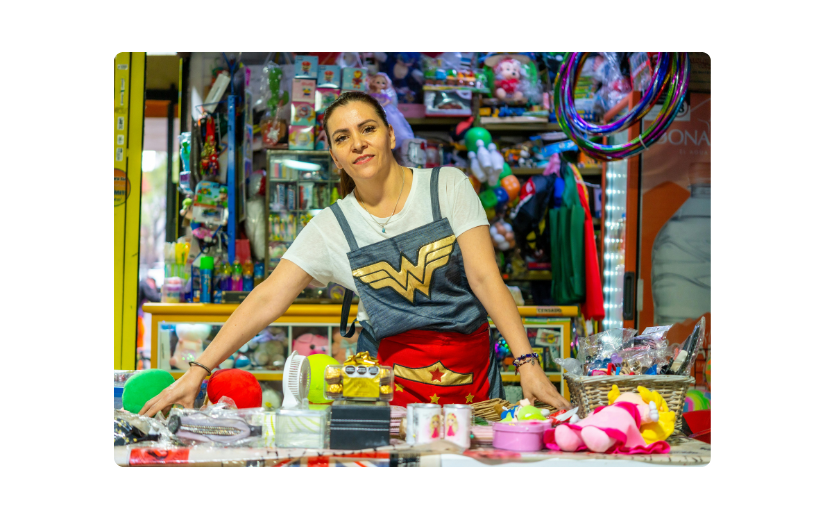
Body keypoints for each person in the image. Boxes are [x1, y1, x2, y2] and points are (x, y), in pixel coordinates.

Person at [141, 92, 571, 417]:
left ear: (388, 132)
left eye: (367, 129)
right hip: (387, 392)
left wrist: (528, 362)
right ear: (333, 155)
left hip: (473, 378)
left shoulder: (447, 187)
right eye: (342, 138)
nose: (358, 144)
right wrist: (198, 371)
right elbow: (268, 297)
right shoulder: (331, 227)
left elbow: (484, 278)